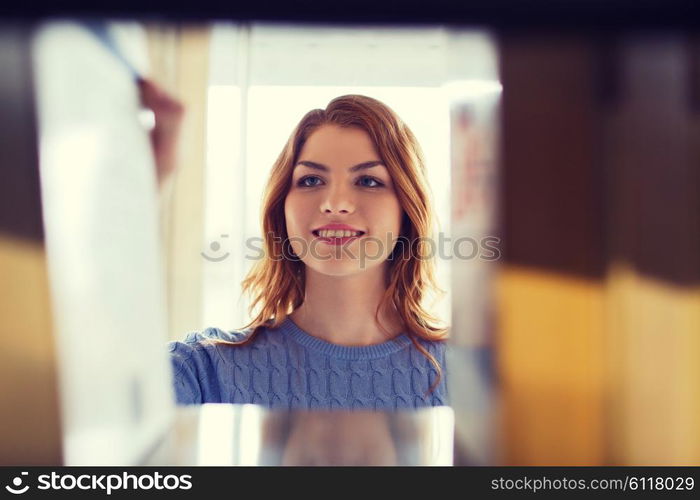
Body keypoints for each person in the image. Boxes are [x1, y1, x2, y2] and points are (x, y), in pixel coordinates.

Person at [168, 94, 449, 410]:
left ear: (407, 209)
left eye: (368, 181)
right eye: (311, 179)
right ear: (281, 207)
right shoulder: (200, 372)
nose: (335, 202)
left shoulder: (476, 374)